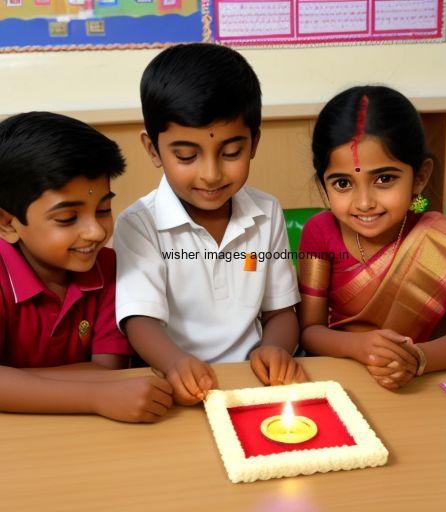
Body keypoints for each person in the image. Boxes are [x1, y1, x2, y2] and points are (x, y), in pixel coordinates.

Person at [114, 43, 306, 406]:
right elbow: (140, 320)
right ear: (153, 150)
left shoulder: (267, 212)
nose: (211, 174)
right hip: (174, 383)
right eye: (186, 155)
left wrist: (276, 348)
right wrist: (175, 363)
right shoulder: (139, 224)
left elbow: (281, 311)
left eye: (231, 153)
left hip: (253, 381)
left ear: (254, 142)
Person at [298, 86, 446, 390]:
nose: (364, 202)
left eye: (384, 179)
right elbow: (309, 330)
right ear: (324, 186)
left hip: (409, 380)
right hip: (339, 377)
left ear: (419, 177)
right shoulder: (320, 232)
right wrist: (358, 346)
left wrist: (416, 358)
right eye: (342, 183)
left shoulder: (436, 238)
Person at [0, 112, 173, 422]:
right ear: (7, 223)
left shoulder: (108, 267)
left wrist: (16, 381)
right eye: (67, 218)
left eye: (103, 209)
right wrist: (96, 396)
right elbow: (103, 383)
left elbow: (107, 369)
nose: (96, 232)